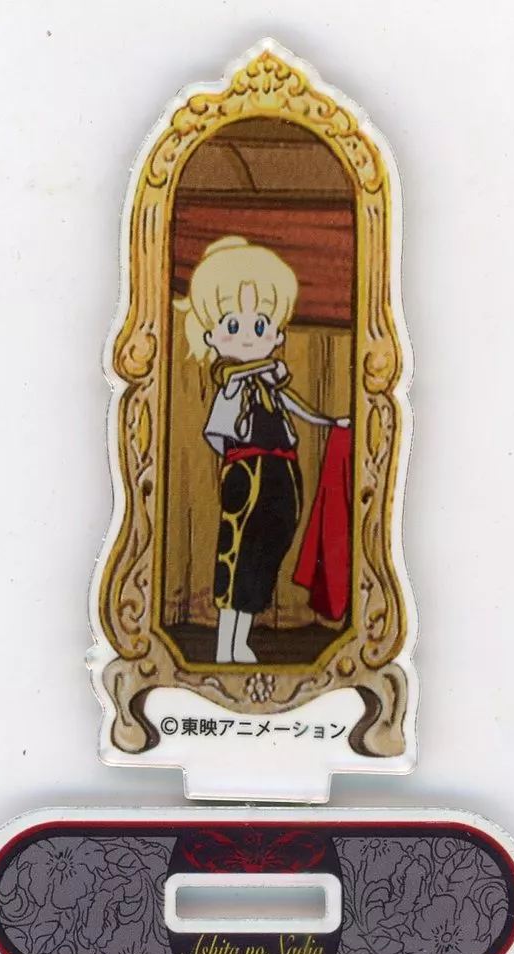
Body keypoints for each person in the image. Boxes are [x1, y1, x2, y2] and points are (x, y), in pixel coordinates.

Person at [174, 236, 349, 663]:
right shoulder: (232, 383)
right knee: (236, 556)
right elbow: (222, 420)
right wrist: (259, 374)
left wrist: (332, 423)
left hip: (282, 472)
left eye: (261, 324)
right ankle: (225, 646)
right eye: (233, 325)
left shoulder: (270, 384)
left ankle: (242, 641)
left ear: (277, 331)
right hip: (247, 472)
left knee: (266, 555)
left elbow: (296, 406)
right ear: (212, 335)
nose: (250, 335)